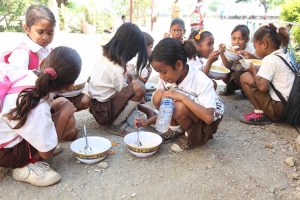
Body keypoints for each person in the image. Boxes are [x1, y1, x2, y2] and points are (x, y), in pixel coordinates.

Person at [0, 46, 81, 186]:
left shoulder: (26, 75)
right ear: (70, 86)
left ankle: (42, 142)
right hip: (5, 152)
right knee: (68, 120)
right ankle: (24, 166)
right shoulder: (38, 106)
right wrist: (63, 116)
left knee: (61, 103)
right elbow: (46, 153)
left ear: (42, 62)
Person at [135, 38, 224, 152]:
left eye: (164, 72)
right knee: (159, 96)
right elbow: (167, 109)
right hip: (191, 113)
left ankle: (191, 137)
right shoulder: (172, 78)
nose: (161, 77)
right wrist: (147, 122)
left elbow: (209, 118)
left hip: (206, 126)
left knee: (178, 106)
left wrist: (181, 97)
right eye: (159, 72)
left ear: (178, 65)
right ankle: (176, 129)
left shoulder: (201, 81)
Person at [88, 23, 149, 136]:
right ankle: (116, 124)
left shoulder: (104, 58)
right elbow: (128, 96)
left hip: (97, 107)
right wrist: (145, 108)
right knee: (139, 87)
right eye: (135, 51)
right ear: (129, 48)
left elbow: (89, 79)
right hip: (105, 112)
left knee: (130, 78)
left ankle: (127, 117)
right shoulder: (116, 69)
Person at [239, 23, 292, 125]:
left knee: (245, 77)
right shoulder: (284, 56)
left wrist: (254, 71)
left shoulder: (269, 59)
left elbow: (263, 87)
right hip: (290, 108)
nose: (255, 51)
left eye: (255, 47)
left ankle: (260, 114)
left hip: (278, 110)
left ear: (264, 44)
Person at [7, 5, 55, 70]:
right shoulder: (21, 55)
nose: (45, 37)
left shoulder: (51, 51)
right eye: (40, 32)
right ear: (27, 29)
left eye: (50, 33)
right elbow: (18, 79)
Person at [218, 24, 255, 96]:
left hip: (245, 74)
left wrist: (243, 60)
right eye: (233, 38)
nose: (236, 42)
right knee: (224, 73)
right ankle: (230, 88)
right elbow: (227, 66)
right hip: (232, 74)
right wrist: (222, 53)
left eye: (240, 39)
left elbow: (254, 67)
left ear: (247, 40)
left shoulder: (250, 51)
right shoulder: (229, 49)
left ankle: (246, 90)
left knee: (237, 75)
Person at [127, 32, 156, 119]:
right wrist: (149, 71)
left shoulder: (137, 58)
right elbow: (140, 79)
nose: (151, 50)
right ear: (143, 47)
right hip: (129, 91)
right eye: (150, 47)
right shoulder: (137, 60)